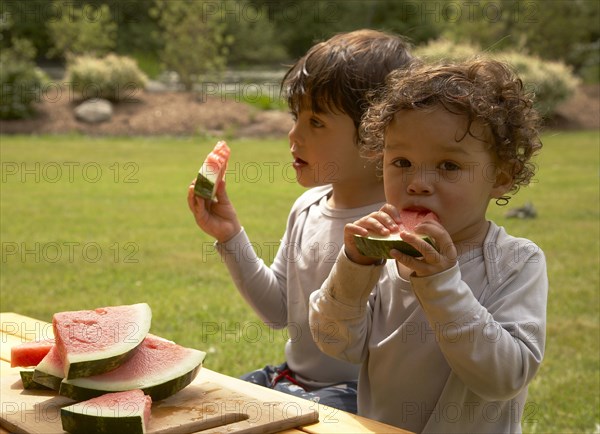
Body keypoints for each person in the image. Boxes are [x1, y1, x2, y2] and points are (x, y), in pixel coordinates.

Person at [308, 58, 548, 432]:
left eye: (449, 166)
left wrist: (441, 284)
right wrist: (352, 268)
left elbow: (505, 377)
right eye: (401, 161)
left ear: (500, 177)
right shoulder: (384, 258)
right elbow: (336, 343)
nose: (418, 182)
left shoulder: (516, 262)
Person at [187, 29, 413, 413]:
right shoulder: (307, 207)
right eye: (296, 117)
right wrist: (229, 236)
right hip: (291, 378)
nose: (294, 135)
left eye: (317, 122)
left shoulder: (393, 229)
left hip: (358, 395)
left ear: (377, 137)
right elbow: (278, 311)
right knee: (207, 408)